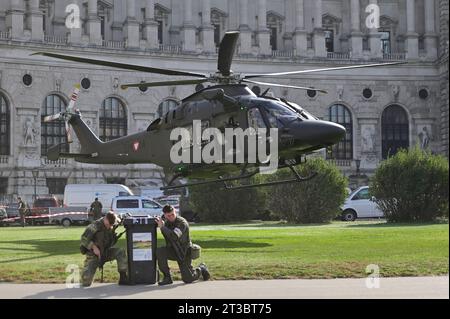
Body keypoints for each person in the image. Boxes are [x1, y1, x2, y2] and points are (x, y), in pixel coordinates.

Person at [155, 205, 210, 286]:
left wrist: (162, 227)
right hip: (173, 250)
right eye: (168, 216)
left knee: (188, 279)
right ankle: (167, 277)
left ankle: (201, 268)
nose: (171, 217)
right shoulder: (166, 223)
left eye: (172, 214)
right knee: (160, 251)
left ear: (175, 212)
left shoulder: (182, 223)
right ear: (165, 215)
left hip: (184, 252)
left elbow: (174, 236)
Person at [79, 212, 128, 287]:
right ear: (105, 219)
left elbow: (119, 220)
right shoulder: (94, 226)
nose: (110, 227)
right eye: (108, 225)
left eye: (111, 225)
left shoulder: (112, 223)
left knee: (120, 251)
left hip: (105, 252)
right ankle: (86, 276)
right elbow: (83, 239)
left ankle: (123, 277)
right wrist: (94, 247)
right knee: (86, 283)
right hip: (94, 255)